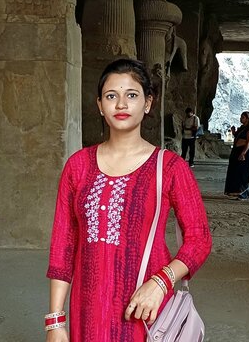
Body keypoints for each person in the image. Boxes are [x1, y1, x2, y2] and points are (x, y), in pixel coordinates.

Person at [46, 59, 212, 342]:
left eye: (131, 95)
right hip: (87, 310)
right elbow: (64, 245)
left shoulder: (169, 167)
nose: (121, 104)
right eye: (112, 96)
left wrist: (161, 282)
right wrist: (55, 321)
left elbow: (199, 239)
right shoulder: (78, 166)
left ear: (148, 103)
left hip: (144, 308)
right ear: (100, 105)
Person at [224, 111, 249, 200]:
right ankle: (241, 192)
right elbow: (238, 138)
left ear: (247, 119)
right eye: (241, 117)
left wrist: (243, 153)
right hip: (236, 152)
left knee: (242, 173)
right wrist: (234, 132)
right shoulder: (242, 128)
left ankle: (244, 193)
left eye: (243, 117)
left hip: (244, 154)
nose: (241, 119)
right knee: (236, 173)